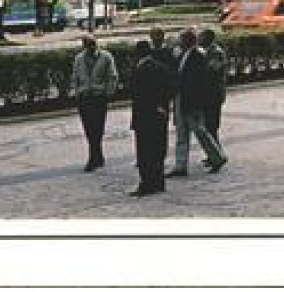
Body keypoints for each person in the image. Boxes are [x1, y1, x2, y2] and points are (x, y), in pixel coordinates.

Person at [169, 29, 228, 177]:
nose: (178, 42)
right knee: (182, 133)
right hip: (181, 98)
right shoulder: (183, 54)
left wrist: (197, 102)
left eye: (181, 39)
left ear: (187, 41)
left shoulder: (197, 56)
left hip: (191, 100)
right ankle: (180, 165)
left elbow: (201, 81)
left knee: (200, 131)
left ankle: (217, 157)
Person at [126, 38, 176, 196]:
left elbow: (135, 92)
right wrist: (162, 104)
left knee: (144, 152)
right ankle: (159, 182)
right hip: (159, 115)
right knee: (158, 150)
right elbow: (173, 86)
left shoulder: (140, 69)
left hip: (144, 115)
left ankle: (147, 183)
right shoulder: (161, 67)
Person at [69, 33, 119, 171]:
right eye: (87, 45)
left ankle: (93, 158)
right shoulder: (79, 58)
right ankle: (97, 156)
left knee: (98, 128)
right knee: (88, 128)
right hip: (84, 97)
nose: (90, 47)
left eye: (92, 44)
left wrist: (108, 93)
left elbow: (112, 76)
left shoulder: (106, 57)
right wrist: (77, 93)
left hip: (98, 96)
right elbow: (75, 77)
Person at [198, 27, 229, 139]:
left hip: (214, 94)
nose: (198, 39)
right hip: (208, 94)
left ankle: (215, 150)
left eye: (201, 37)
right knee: (208, 127)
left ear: (208, 38)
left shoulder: (216, 52)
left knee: (212, 127)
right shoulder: (207, 51)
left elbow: (212, 71)